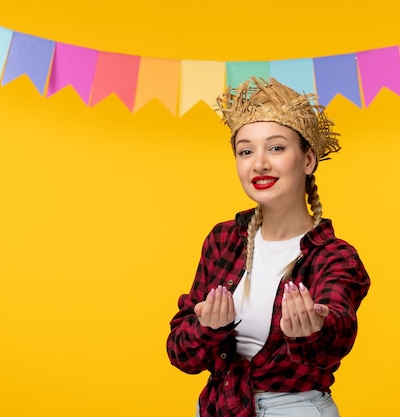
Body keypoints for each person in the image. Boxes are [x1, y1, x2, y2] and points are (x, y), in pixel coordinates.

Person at [166, 77, 370, 417]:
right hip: (220, 407)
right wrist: (207, 327)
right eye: (246, 151)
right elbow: (180, 353)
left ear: (308, 160)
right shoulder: (223, 240)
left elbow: (338, 337)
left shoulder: (335, 257)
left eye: (275, 148)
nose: (259, 163)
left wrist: (315, 329)